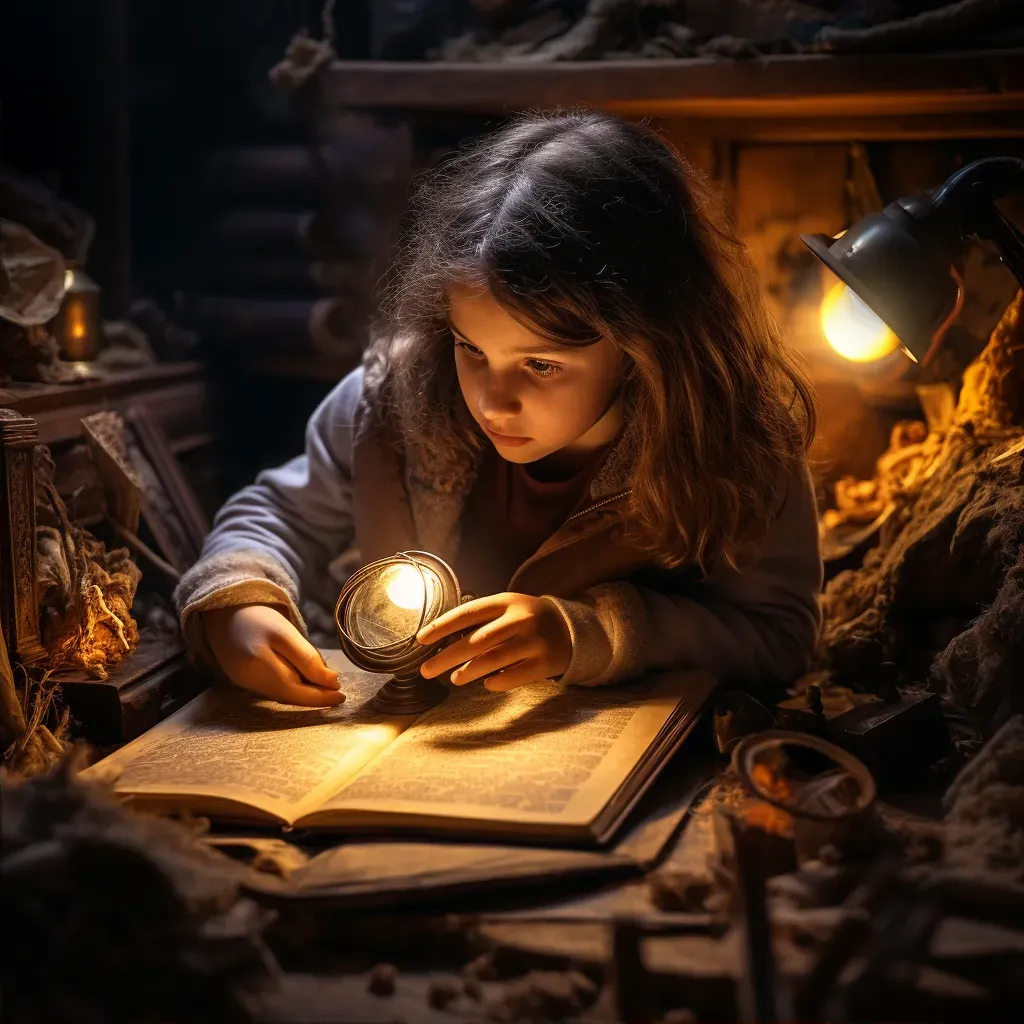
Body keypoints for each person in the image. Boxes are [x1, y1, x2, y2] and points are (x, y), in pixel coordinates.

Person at [174, 110, 823, 708]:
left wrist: (590, 633)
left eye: (541, 364)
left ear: (642, 345)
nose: (492, 400)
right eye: (470, 349)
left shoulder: (730, 439)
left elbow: (778, 636)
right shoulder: (395, 399)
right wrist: (237, 604)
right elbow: (275, 514)